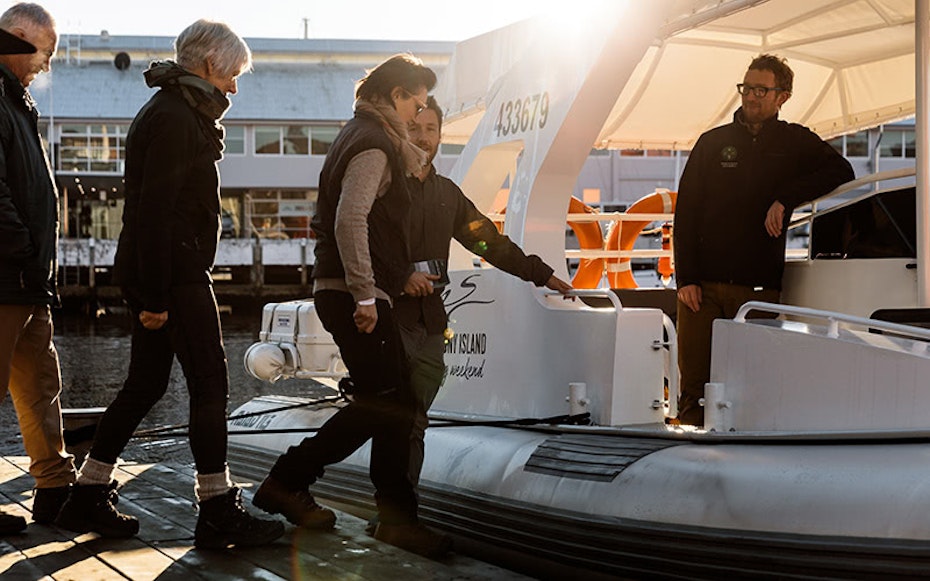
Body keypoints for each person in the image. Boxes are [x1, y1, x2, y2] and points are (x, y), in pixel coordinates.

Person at [55, 19, 284, 549]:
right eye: (232, 74)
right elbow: (154, 212)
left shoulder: (172, 111)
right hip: (175, 276)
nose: (234, 86)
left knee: (146, 385)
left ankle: (87, 493)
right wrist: (155, 298)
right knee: (210, 385)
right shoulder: (177, 118)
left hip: (165, 272)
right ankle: (217, 509)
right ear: (208, 66)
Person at [251, 53, 451, 559]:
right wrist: (365, 292)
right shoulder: (373, 144)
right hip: (353, 292)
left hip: (350, 289)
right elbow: (349, 219)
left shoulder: (359, 132)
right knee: (391, 403)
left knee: (388, 402)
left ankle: (388, 516)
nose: (417, 114)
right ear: (397, 95)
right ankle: (291, 482)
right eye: (416, 103)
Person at [398, 96, 573, 489]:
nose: (423, 138)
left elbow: (486, 242)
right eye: (415, 128)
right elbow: (364, 242)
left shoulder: (447, 193)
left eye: (430, 129)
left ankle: (402, 512)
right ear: (400, 129)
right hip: (392, 318)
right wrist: (398, 278)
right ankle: (395, 512)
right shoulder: (387, 187)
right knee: (395, 418)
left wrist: (540, 273)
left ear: (441, 135)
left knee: (415, 421)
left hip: (430, 321)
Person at [673, 54, 854, 427]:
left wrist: (786, 197)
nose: (751, 97)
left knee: (750, 385)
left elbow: (841, 169)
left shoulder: (794, 140)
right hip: (701, 289)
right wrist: (685, 278)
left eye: (761, 90)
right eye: (746, 88)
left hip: (758, 288)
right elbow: (686, 213)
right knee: (694, 385)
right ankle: (690, 448)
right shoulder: (712, 143)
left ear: (781, 96)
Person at [0, 3, 76, 535]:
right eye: (43, 54)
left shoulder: (15, 99)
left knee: (40, 382)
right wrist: (24, 249)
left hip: (28, 281)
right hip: (7, 275)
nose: (44, 66)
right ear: (19, 38)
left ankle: (54, 489)